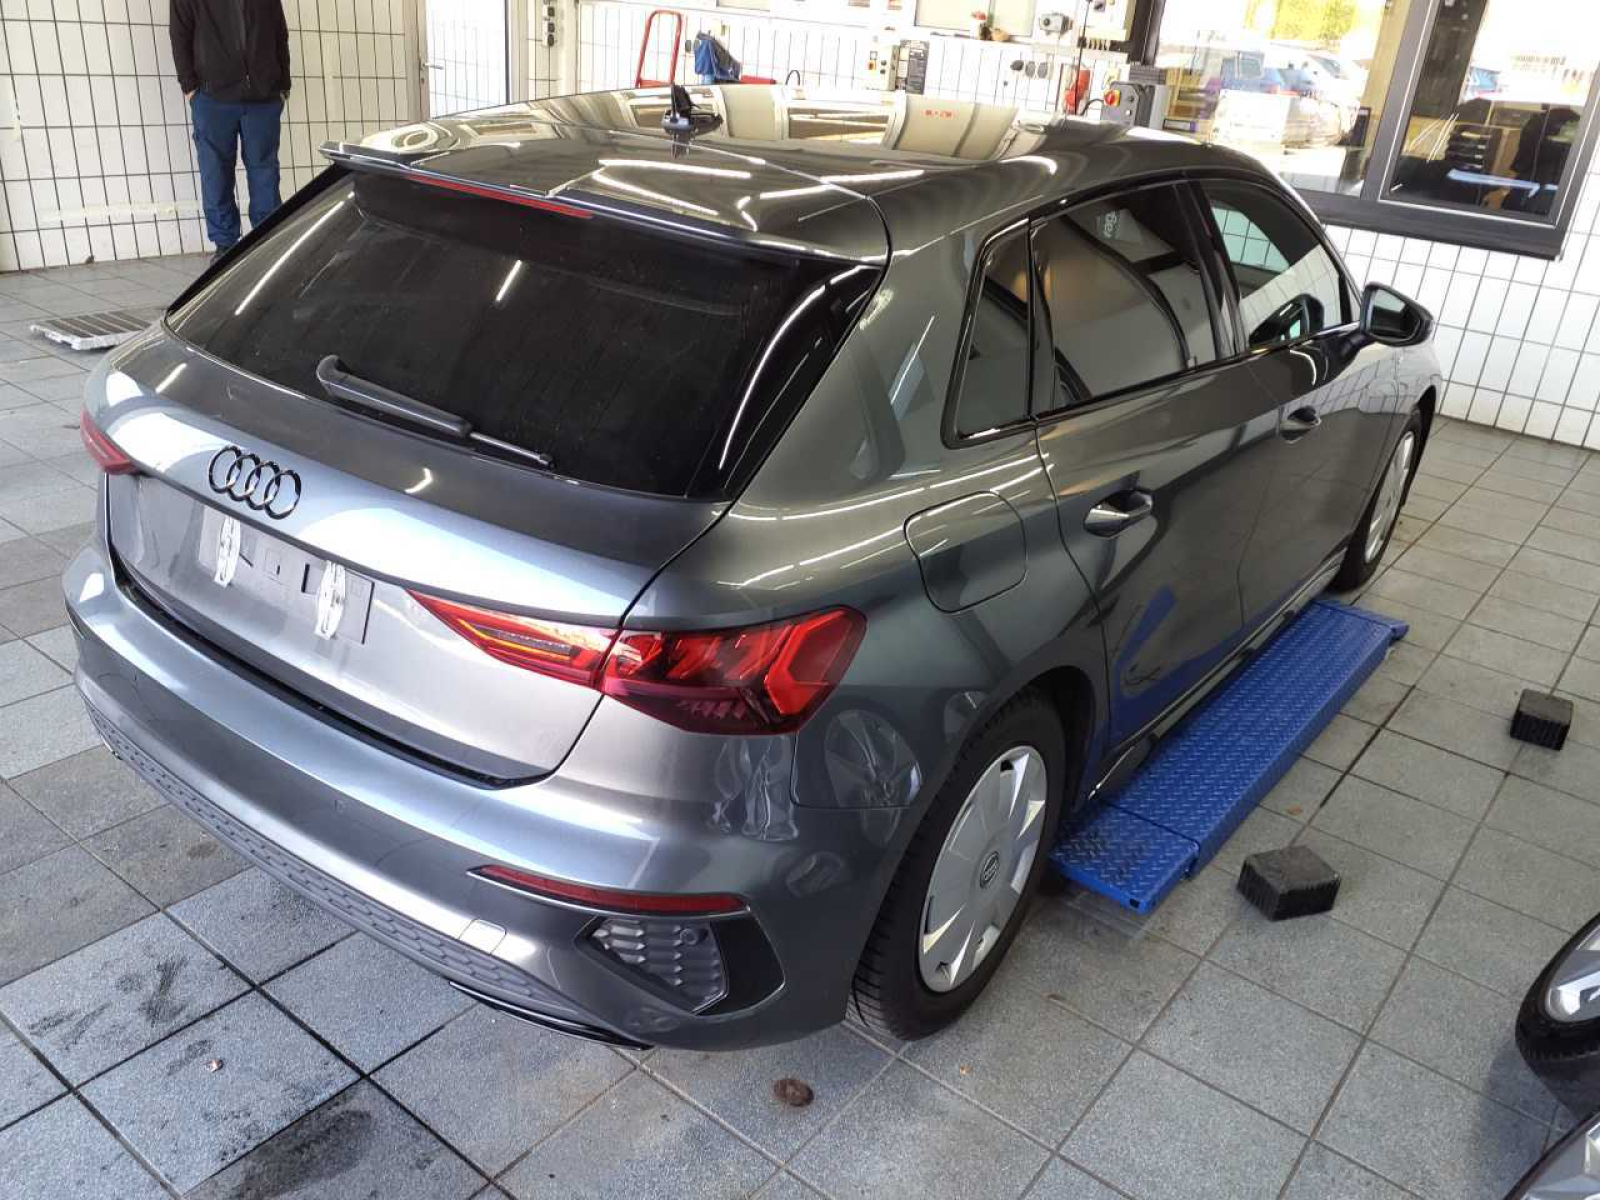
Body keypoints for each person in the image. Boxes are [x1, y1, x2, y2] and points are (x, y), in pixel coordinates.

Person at [169, 0, 292, 260]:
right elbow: (179, 33)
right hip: (212, 97)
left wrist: (283, 84)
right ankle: (225, 246)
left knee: (265, 172)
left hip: (263, 97)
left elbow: (279, 31)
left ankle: (267, 240)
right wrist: (189, 87)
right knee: (215, 173)